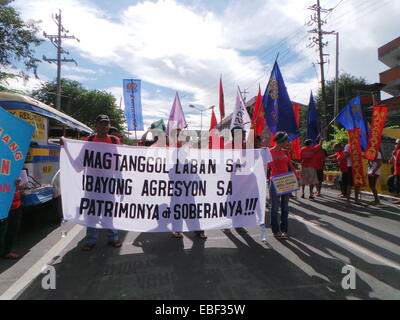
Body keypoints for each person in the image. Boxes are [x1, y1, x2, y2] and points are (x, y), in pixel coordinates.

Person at [83, 115, 123, 251]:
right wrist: (65, 145)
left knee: (109, 210)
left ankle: (113, 238)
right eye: (101, 123)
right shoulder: (89, 139)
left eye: (106, 124)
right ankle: (91, 240)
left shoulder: (114, 139)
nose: (104, 126)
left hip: (108, 181)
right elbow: (81, 157)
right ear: (96, 125)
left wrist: (120, 181)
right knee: (91, 211)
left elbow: (119, 161)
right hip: (92, 182)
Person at [267, 132, 298, 240]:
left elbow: (289, 164)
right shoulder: (269, 152)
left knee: (285, 207)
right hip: (275, 181)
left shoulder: (285, 151)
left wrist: (296, 176)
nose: (288, 142)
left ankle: (284, 230)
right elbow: (265, 166)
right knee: (274, 208)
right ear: (281, 141)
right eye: (286, 140)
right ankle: (275, 230)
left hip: (287, 180)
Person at [222, 126, 247, 234]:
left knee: (241, 202)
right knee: (229, 202)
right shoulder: (228, 145)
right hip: (230, 179)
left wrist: (261, 152)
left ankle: (239, 224)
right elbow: (224, 161)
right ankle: (226, 224)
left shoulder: (245, 145)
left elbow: (249, 159)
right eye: (242, 133)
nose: (244, 135)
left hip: (242, 179)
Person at [0, 174, 28, 259]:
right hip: (3, 207)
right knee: (2, 231)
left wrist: (17, 186)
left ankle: (7, 252)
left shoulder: (17, 168)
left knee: (12, 229)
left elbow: (24, 184)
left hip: (15, 205)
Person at [390, 139, 400, 205]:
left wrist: (394, 156)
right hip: (396, 172)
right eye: (395, 143)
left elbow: (398, 162)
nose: (395, 145)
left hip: (399, 172)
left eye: (397, 143)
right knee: (398, 187)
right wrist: (393, 155)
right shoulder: (396, 151)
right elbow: (390, 162)